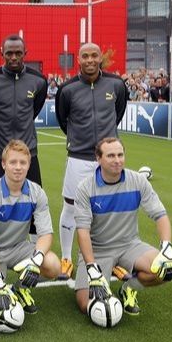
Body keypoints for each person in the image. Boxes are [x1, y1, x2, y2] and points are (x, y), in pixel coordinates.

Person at [73, 137, 172, 317]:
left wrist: (166, 248)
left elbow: (160, 215)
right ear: (98, 159)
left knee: (164, 270)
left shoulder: (138, 181)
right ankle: (103, 274)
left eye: (120, 155)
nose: (117, 160)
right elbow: (82, 231)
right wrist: (91, 267)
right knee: (85, 305)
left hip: (129, 245)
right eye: (111, 155)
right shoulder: (85, 188)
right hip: (98, 249)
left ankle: (128, 288)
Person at [53, 42, 127, 279]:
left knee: (109, 208)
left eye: (94, 55)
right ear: (79, 60)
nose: (90, 60)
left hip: (108, 158)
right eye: (85, 56)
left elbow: (119, 112)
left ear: (100, 58)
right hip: (79, 157)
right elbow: (63, 120)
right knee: (71, 206)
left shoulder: (116, 84)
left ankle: (112, 258)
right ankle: (66, 258)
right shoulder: (67, 89)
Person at [0, 140, 61, 321]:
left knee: (53, 265)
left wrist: (36, 260)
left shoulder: (37, 192)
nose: (18, 167)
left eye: (23, 163)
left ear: (29, 165)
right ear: (4, 164)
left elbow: (45, 234)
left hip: (18, 248)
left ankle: (19, 288)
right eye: (13, 162)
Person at [0, 35, 48, 191]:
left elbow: (34, 110)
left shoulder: (39, 81)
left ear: (25, 53)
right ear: (1, 52)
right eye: (9, 53)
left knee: (33, 206)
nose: (13, 57)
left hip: (28, 152)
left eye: (18, 53)